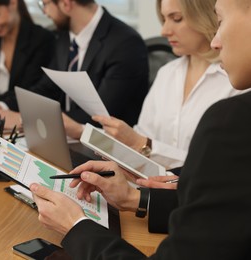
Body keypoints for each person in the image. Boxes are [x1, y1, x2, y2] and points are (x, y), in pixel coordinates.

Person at [30, 0, 251, 258]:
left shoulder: (232, 115)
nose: (215, 40)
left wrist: (76, 227)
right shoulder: (168, 73)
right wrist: (133, 196)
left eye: (221, 20)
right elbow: (220, 204)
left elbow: (207, 184)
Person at [92, 0, 245, 171]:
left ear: (206, 17)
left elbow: (215, 167)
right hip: (149, 188)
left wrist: (143, 145)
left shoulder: (237, 82)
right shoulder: (167, 73)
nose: (164, 31)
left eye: (177, 18)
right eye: (164, 19)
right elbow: (142, 135)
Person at [0, 0, 149, 138]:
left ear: (66, 4)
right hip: (66, 139)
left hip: (106, 148)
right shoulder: (63, 36)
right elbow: (47, 88)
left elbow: (101, 116)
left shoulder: (125, 43)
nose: (45, 11)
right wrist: (1, 106)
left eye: (44, 4)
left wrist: (24, 119)